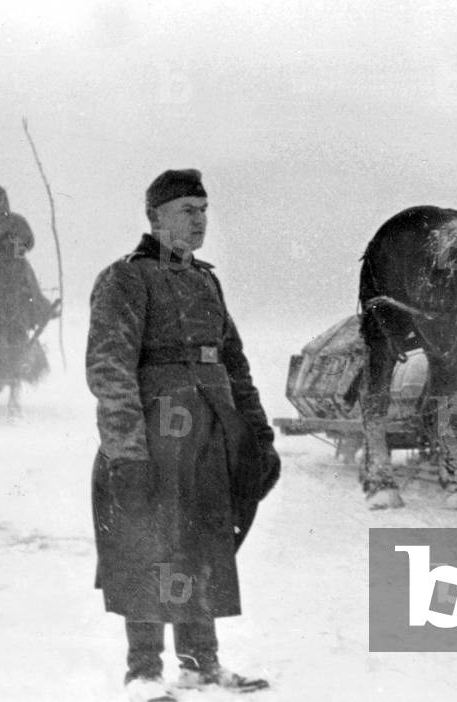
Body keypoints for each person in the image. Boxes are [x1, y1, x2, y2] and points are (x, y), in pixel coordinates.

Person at [86, 169, 281, 701]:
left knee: (203, 545)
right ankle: (144, 673)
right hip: (154, 437)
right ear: (156, 217)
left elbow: (235, 366)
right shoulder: (126, 278)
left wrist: (259, 437)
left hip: (211, 435)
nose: (200, 220)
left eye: (204, 209)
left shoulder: (205, 280)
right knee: (147, 544)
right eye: (187, 211)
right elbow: (110, 368)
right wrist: (126, 451)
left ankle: (200, 665)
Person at [0, 185, 54, 325]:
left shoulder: (17, 222)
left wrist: (17, 243)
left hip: (13, 266)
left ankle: (39, 310)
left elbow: (29, 242)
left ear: (4, 201)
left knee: (27, 277)